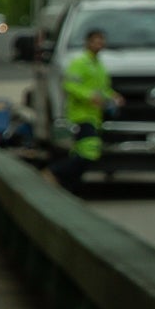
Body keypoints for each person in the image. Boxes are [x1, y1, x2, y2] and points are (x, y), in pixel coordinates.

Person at [55, 22, 118, 192]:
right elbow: (70, 85)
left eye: (102, 41)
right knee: (89, 151)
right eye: (96, 41)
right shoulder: (80, 62)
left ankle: (69, 185)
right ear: (88, 42)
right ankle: (54, 173)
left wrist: (113, 96)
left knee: (80, 151)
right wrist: (90, 96)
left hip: (94, 116)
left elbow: (101, 88)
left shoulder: (98, 64)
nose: (100, 44)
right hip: (80, 114)